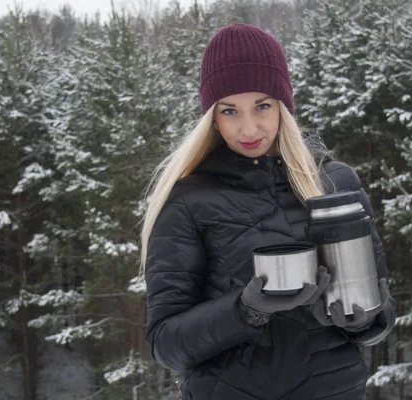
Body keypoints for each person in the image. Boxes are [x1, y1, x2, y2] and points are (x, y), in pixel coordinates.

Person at [141, 23, 396, 400]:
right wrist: (244, 310)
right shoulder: (187, 200)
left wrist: (364, 320)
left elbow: (382, 306)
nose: (248, 128)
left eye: (262, 105)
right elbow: (165, 343)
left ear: (283, 104)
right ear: (212, 116)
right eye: (230, 110)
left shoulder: (336, 183)